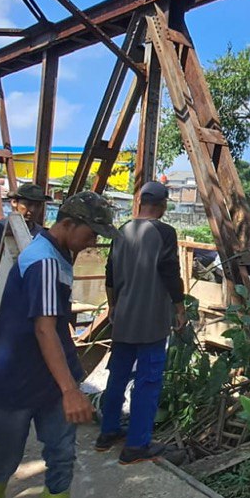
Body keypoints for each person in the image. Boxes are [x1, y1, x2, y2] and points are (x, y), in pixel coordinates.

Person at [0, 191, 117, 498]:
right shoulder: (44, 262)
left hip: (49, 378)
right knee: (7, 454)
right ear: (68, 224)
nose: (93, 243)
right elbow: (44, 330)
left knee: (61, 454)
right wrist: (71, 391)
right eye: (91, 234)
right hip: (17, 378)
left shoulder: (56, 253)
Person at [96, 181, 187, 463]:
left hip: (123, 318)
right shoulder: (164, 232)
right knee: (148, 381)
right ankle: (136, 445)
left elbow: (110, 273)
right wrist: (180, 308)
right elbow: (171, 272)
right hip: (151, 320)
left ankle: (108, 431)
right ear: (162, 206)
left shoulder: (122, 231)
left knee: (118, 375)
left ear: (140, 203)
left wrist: (113, 306)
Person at [0, 183, 50, 365]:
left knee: (21, 354)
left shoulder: (43, 235)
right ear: (14, 202)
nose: (32, 210)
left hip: (26, 302)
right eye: (27, 204)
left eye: (37, 205)